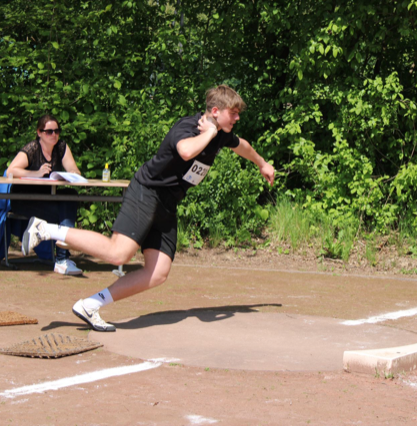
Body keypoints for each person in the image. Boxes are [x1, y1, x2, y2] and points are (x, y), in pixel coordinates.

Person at [21, 85, 275, 331]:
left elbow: (241, 144)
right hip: (147, 191)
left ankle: (90, 305)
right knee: (118, 254)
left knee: (158, 272)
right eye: (234, 113)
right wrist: (208, 133)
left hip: (167, 203)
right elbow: (186, 151)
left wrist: (262, 163)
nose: (238, 117)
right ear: (216, 111)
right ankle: (46, 229)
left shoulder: (221, 133)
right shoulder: (187, 127)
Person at [6, 115, 83, 276]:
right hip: (25, 199)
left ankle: (60, 257)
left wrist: (70, 175)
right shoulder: (32, 148)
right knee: (66, 209)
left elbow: (74, 170)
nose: (54, 135)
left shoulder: (61, 147)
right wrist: (37, 173)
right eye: (49, 132)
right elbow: (11, 170)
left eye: (57, 131)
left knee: (70, 195)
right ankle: (62, 259)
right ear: (39, 132)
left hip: (48, 198)